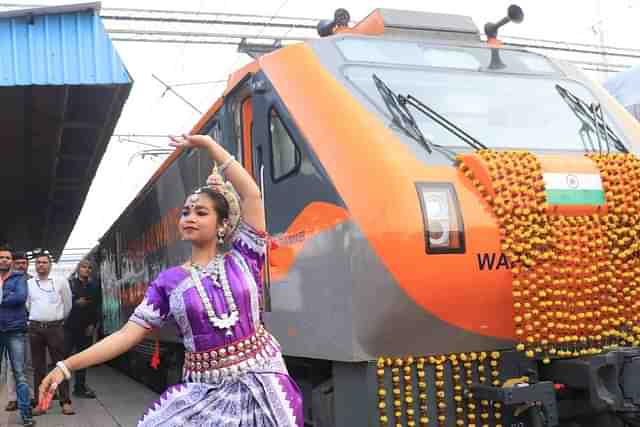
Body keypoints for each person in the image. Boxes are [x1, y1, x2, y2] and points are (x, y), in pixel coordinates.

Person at [39, 134, 303, 426]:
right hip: (203, 396)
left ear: (222, 223)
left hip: (263, 388)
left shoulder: (244, 257)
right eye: (186, 212)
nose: (189, 217)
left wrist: (209, 145)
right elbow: (126, 335)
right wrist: (66, 366)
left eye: (201, 212)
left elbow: (252, 195)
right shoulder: (169, 282)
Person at [27, 252, 74, 416]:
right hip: (35, 328)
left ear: (50, 265)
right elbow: (28, 305)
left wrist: (59, 319)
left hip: (55, 327)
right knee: (38, 367)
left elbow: (68, 304)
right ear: (35, 266)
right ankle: (40, 403)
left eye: (44, 262)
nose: (41, 265)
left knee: (60, 364)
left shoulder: (60, 281)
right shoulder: (29, 284)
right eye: (38, 262)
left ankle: (65, 401)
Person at [0, 245, 34, 426]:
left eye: (7, 258)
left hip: (15, 329)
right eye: (1, 257)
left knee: (20, 373)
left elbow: (20, 297)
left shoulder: (19, 277)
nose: (4, 260)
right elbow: (12, 298)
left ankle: (26, 415)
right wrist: (7, 295)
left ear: (10, 262)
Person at [65, 259, 101, 398]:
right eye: (84, 267)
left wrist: (93, 324)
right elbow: (63, 303)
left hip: (86, 327)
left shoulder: (95, 286)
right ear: (78, 269)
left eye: (89, 268)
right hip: (69, 326)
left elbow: (97, 306)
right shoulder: (70, 284)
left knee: (83, 358)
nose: (87, 270)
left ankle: (79, 388)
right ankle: (61, 389)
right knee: (64, 357)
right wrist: (75, 303)